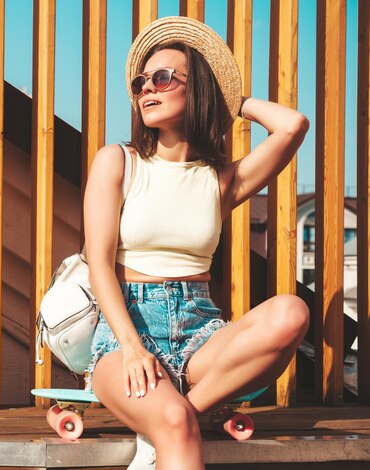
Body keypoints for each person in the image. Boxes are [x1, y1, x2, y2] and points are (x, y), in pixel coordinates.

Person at [83, 16, 310, 470]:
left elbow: (293, 126)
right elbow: (99, 265)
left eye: (163, 78)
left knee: (292, 312)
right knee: (177, 425)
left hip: (200, 334)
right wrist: (131, 346)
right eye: (141, 81)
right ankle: (171, 423)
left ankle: (171, 422)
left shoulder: (220, 181)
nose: (147, 87)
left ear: (196, 89)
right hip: (124, 331)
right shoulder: (118, 162)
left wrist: (232, 98)